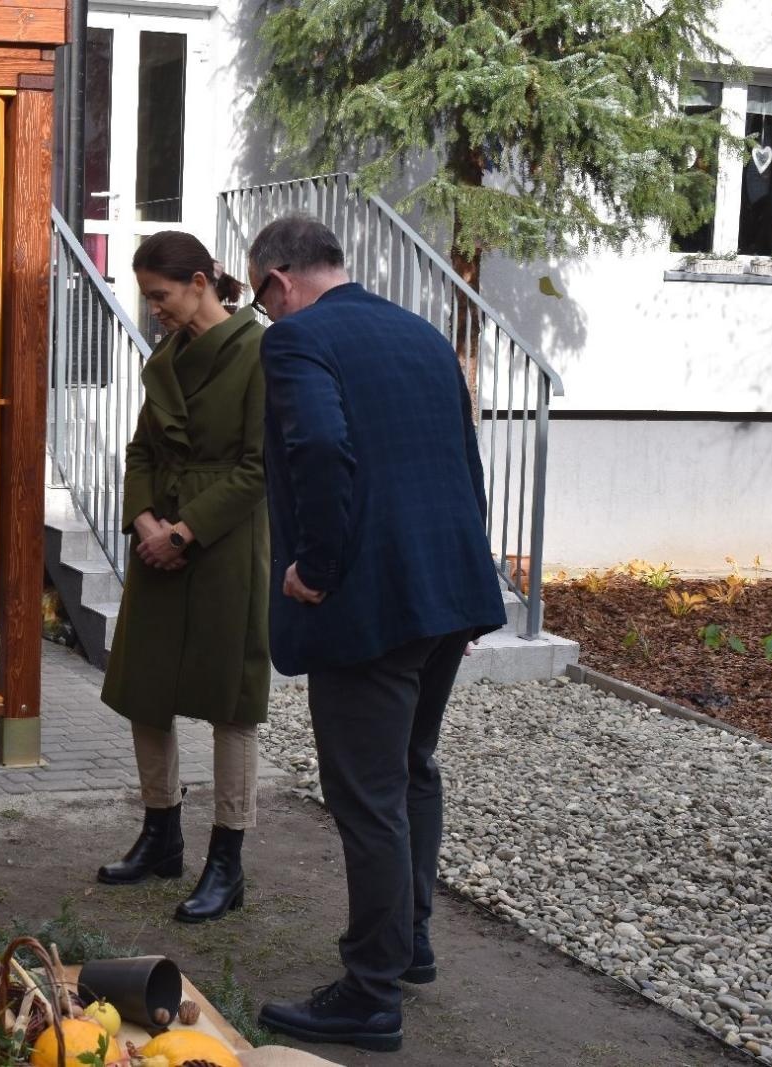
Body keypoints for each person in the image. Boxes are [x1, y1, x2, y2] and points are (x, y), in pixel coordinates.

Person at [246, 216, 505, 1052]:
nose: (264, 315)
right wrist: (468, 584)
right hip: (445, 591)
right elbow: (465, 462)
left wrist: (315, 569)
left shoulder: (295, 342)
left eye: (260, 299)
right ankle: (411, 943)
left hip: (368, 605)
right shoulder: (422, 332)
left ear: (279, 280)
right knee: (410, 769)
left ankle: (369, 991)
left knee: (369, 795)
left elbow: (321, 445)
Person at [97, 231, 269, 924]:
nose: (155, 311)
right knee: (145, 686)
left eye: (161, 296)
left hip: (222, 544)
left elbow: (260, 466)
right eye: (148, 300)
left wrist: (186, 530)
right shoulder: (166, 356)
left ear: (200, 282)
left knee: (231, 699)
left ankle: (227, 860)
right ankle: (160, 834)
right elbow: (141, 447)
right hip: (157, 538)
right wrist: (143, 520)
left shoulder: (259, 351)